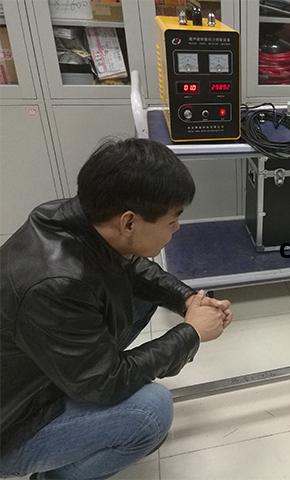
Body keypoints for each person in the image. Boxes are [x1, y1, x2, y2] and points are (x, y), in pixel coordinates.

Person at [0, 138, 233, 479]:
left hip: (38, 371)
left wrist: (186, 300)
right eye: (172, 220)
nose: (177, 228)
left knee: (138, 295)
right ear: (129, 222)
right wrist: (192, 333)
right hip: (11, 424)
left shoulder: (78, 217)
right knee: (151, 413)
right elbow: (106, 383)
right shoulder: (56, 286)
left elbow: (129, 264)